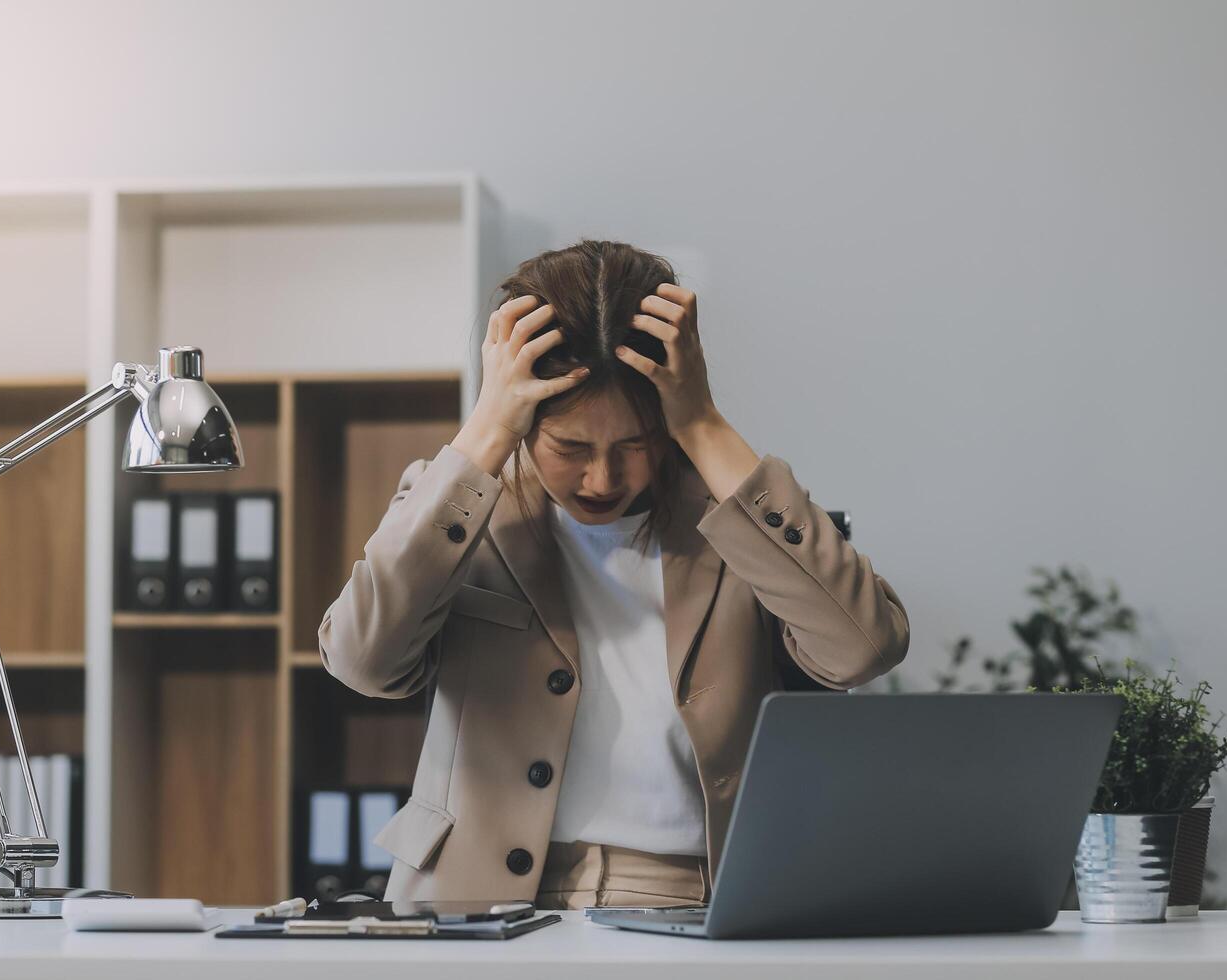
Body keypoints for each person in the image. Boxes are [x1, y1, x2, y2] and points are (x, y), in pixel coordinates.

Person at [319, 239, 910, 909]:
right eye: (571, 448)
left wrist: (705, 425)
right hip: (478, 906)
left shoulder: (737, 517)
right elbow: (363, 660)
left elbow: (864, 648)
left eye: (636, 445)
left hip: (694, 898)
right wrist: (486, 427)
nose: (603, 479)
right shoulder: (457, 506)